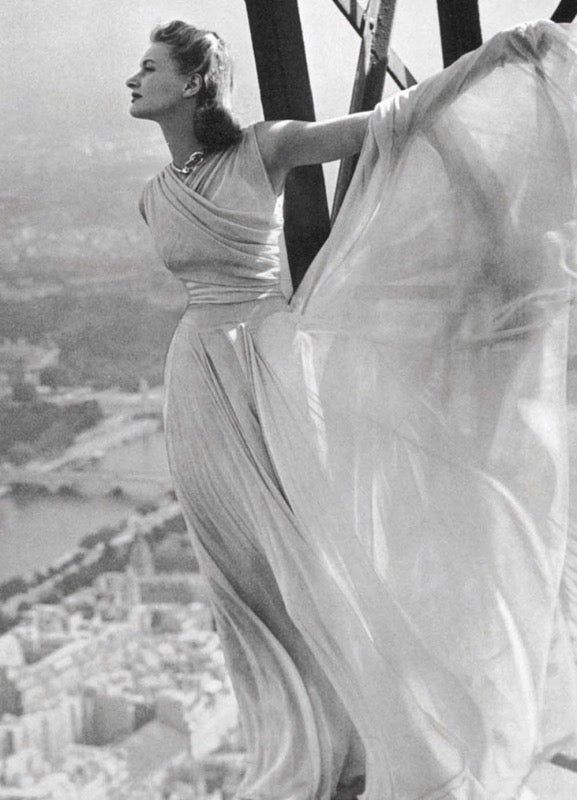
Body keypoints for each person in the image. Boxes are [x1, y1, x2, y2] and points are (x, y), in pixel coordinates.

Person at [126, 18, 577, 800]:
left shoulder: (262, 149)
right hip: (194, 377)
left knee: (314, 563)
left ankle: (387, 736)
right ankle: (302, 748)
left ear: (194, 81)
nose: (132, 80)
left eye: (148, 67)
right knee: (241, 574)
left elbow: (391, 123)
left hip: (260, 363)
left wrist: (491, 59)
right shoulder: (153, 195)